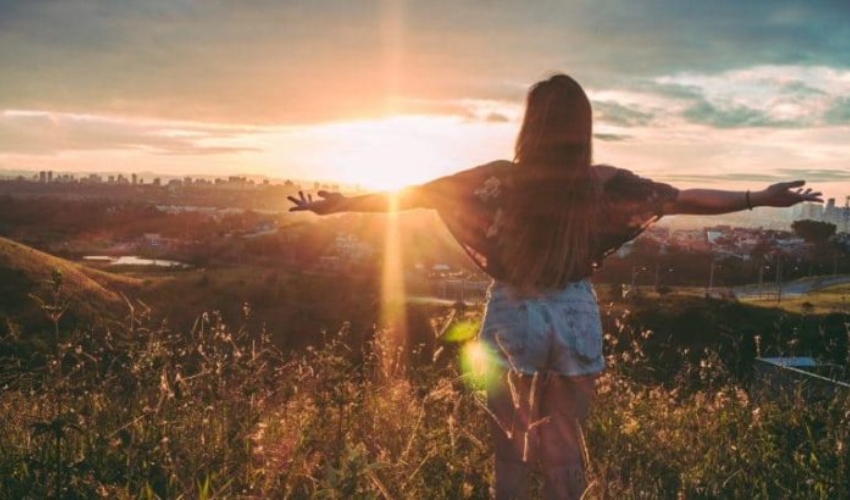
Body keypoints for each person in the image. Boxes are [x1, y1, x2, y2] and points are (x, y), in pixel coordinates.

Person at [288, 74, 822, 499]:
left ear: (531, 125)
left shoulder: (498, 178)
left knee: (510, 451)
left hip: (513, 313)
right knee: (565, 451)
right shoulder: (601, 182)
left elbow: (414, 194)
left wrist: (338, 205)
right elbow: (682, 197)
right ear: (581, 126)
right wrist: (758, 195)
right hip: (574, 314)